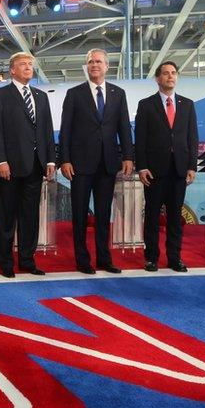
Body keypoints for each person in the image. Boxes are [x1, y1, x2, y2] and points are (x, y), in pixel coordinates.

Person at [58, 48, 134, 274]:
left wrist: (128, 156)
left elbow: (123, 128)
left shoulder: (118, 93)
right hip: (79, 165)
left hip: (108, 164)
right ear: (86, 66)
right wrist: (65, 160)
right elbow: (66, 130)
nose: (94, 65)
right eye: (90, 61)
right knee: (80, 214)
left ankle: (104, 258)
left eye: (99, 61)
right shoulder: (74, 93)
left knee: (103, 214)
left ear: (107, 66)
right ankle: (82, 260)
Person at [0, 52, 56, 277]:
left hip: (36, 167)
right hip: (9, 167)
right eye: (23, 64)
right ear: (12, 70)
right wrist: (0, 161)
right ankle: (5, 263)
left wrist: (50, 159)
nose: (28, 67)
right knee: (7, 218)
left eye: (30, 64)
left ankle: (27, 260)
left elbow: (46, 130)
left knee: (30, 217)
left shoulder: (41, 96)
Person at [134, 61, 198, 273]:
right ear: (157, 78)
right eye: (165, 73)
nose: (170, 76)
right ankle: (151, 258)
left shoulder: (187, 104)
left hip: (179, 170)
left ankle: (175, 258)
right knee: (152, 216)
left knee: (175, 217)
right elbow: (140, 139)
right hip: (154, 171)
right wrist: (141, 167)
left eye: (173, 73)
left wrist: (192, 166)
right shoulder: (146, 104)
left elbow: (192, 138)